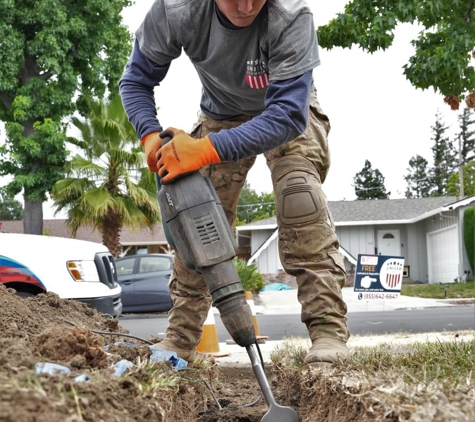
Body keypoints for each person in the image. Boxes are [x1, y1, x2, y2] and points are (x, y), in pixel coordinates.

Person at [119, 0, 350, 365]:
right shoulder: (176, 10)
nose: (246, 7)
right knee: (192, 212)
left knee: (299, 198)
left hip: (288, 113)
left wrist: (206, 149)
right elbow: (135, 81)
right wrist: (149, 135)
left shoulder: (291, 15)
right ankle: (181, 335)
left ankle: (328, 333)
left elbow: (288, 115)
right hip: (220, 113)